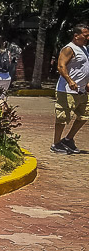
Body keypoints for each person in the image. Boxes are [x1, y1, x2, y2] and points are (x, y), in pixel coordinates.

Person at [51, 24, 89, 154]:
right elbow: (61, 66)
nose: (87, 38)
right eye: (85, 35)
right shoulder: (69, 48)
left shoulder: (84, 48)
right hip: (67, 90)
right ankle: (56, 143)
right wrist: (70, 80)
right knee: (62, 117)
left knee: (84, 116)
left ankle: (68, 139)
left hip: (82, 90)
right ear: (76, 35)